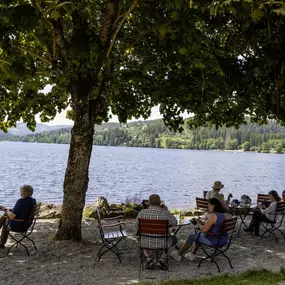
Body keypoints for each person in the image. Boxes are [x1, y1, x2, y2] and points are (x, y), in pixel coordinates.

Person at [136, 194, 177, 270]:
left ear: (149, 202)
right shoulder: (165, 213)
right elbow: (175, 222)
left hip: (145, 243)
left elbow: (136, 228)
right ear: (160, 203)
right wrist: (166, 212)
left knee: (139, 238)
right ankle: (161, 260)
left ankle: (149, 260)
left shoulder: (141, 213)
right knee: (174, 239)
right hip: (163, 243)